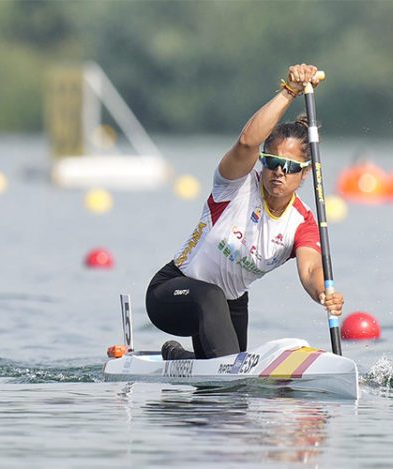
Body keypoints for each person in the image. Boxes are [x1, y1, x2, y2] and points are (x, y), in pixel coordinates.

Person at [145, 63, 344, 360]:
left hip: (231, 305)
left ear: (304, 175)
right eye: (272, 162)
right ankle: (213, 365)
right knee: (214, 307)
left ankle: (179, 357)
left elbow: (311, 269)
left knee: (229, 396)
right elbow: (247, 141)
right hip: (171, 294)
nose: (279, 172)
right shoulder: (235, 185)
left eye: (289, 168)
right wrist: (289, 91)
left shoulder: (302, 223)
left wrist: (322, 294)